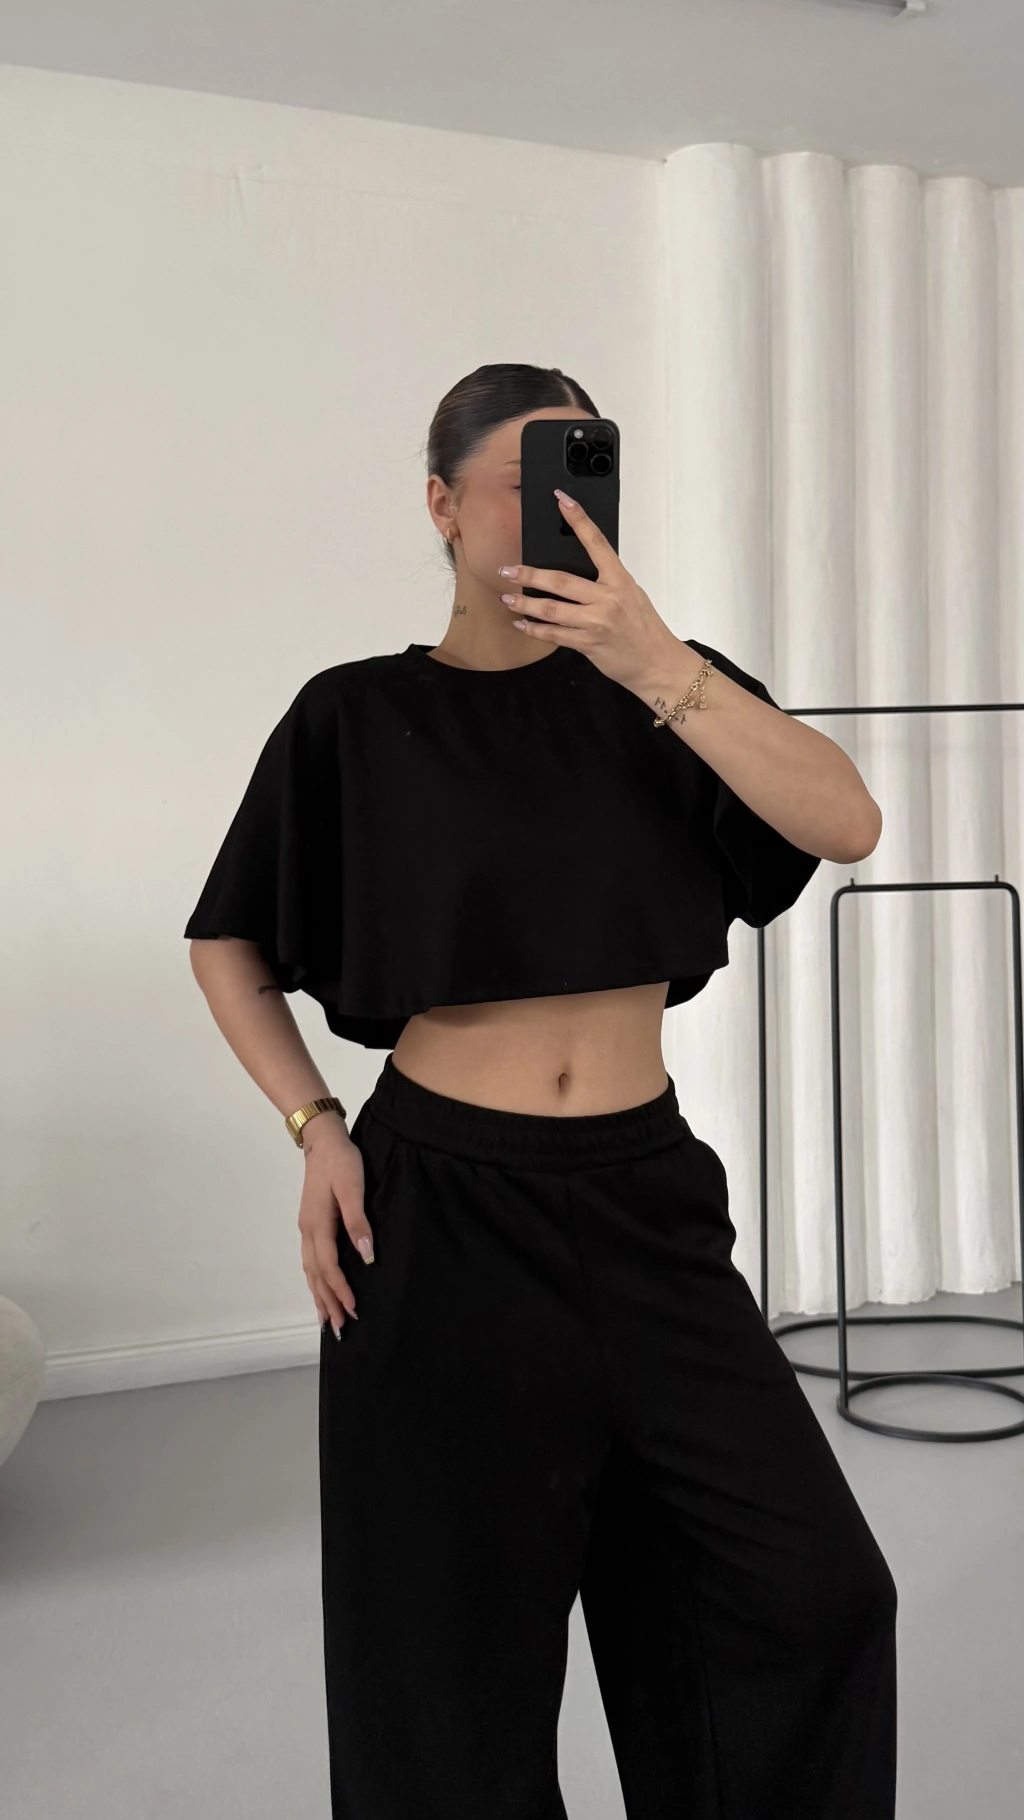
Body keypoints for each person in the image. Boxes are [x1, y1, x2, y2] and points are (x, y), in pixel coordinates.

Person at [185, 363, 897, 1819]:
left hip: (647, 1204)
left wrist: (656, 664)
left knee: (810, 1594)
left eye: (584, 475)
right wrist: (315, 1127)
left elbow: (848, 819)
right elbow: (228, 942)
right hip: (437, 1218)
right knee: (443, 1677)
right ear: (442, 506)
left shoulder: (669, 689)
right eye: (523, 482)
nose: (556, 513)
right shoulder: (356, 715)